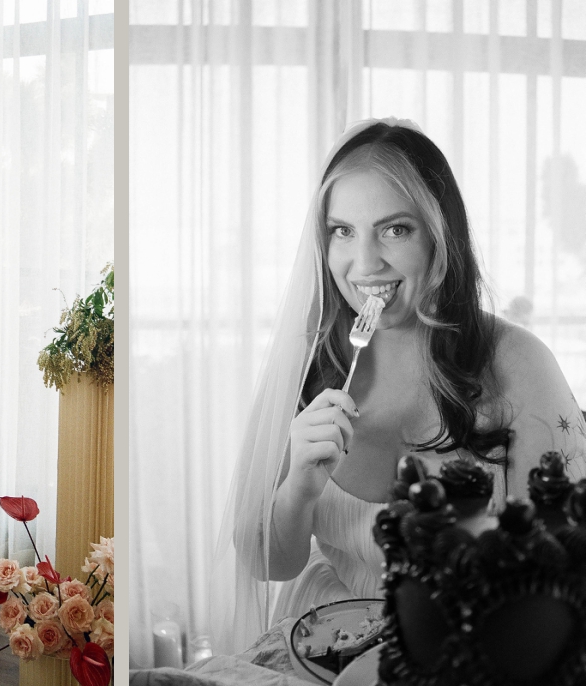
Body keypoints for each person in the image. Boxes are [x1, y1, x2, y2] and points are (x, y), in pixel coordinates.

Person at [211, 119, 586, 654]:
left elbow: (567, 560)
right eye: (342, 231)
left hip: (480, 645)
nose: (364, 264)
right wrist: (299, 487)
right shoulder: (306, 364)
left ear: (440, 235)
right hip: (326, 641)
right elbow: (267, 563)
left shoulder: (519, 363)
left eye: (395, 230)